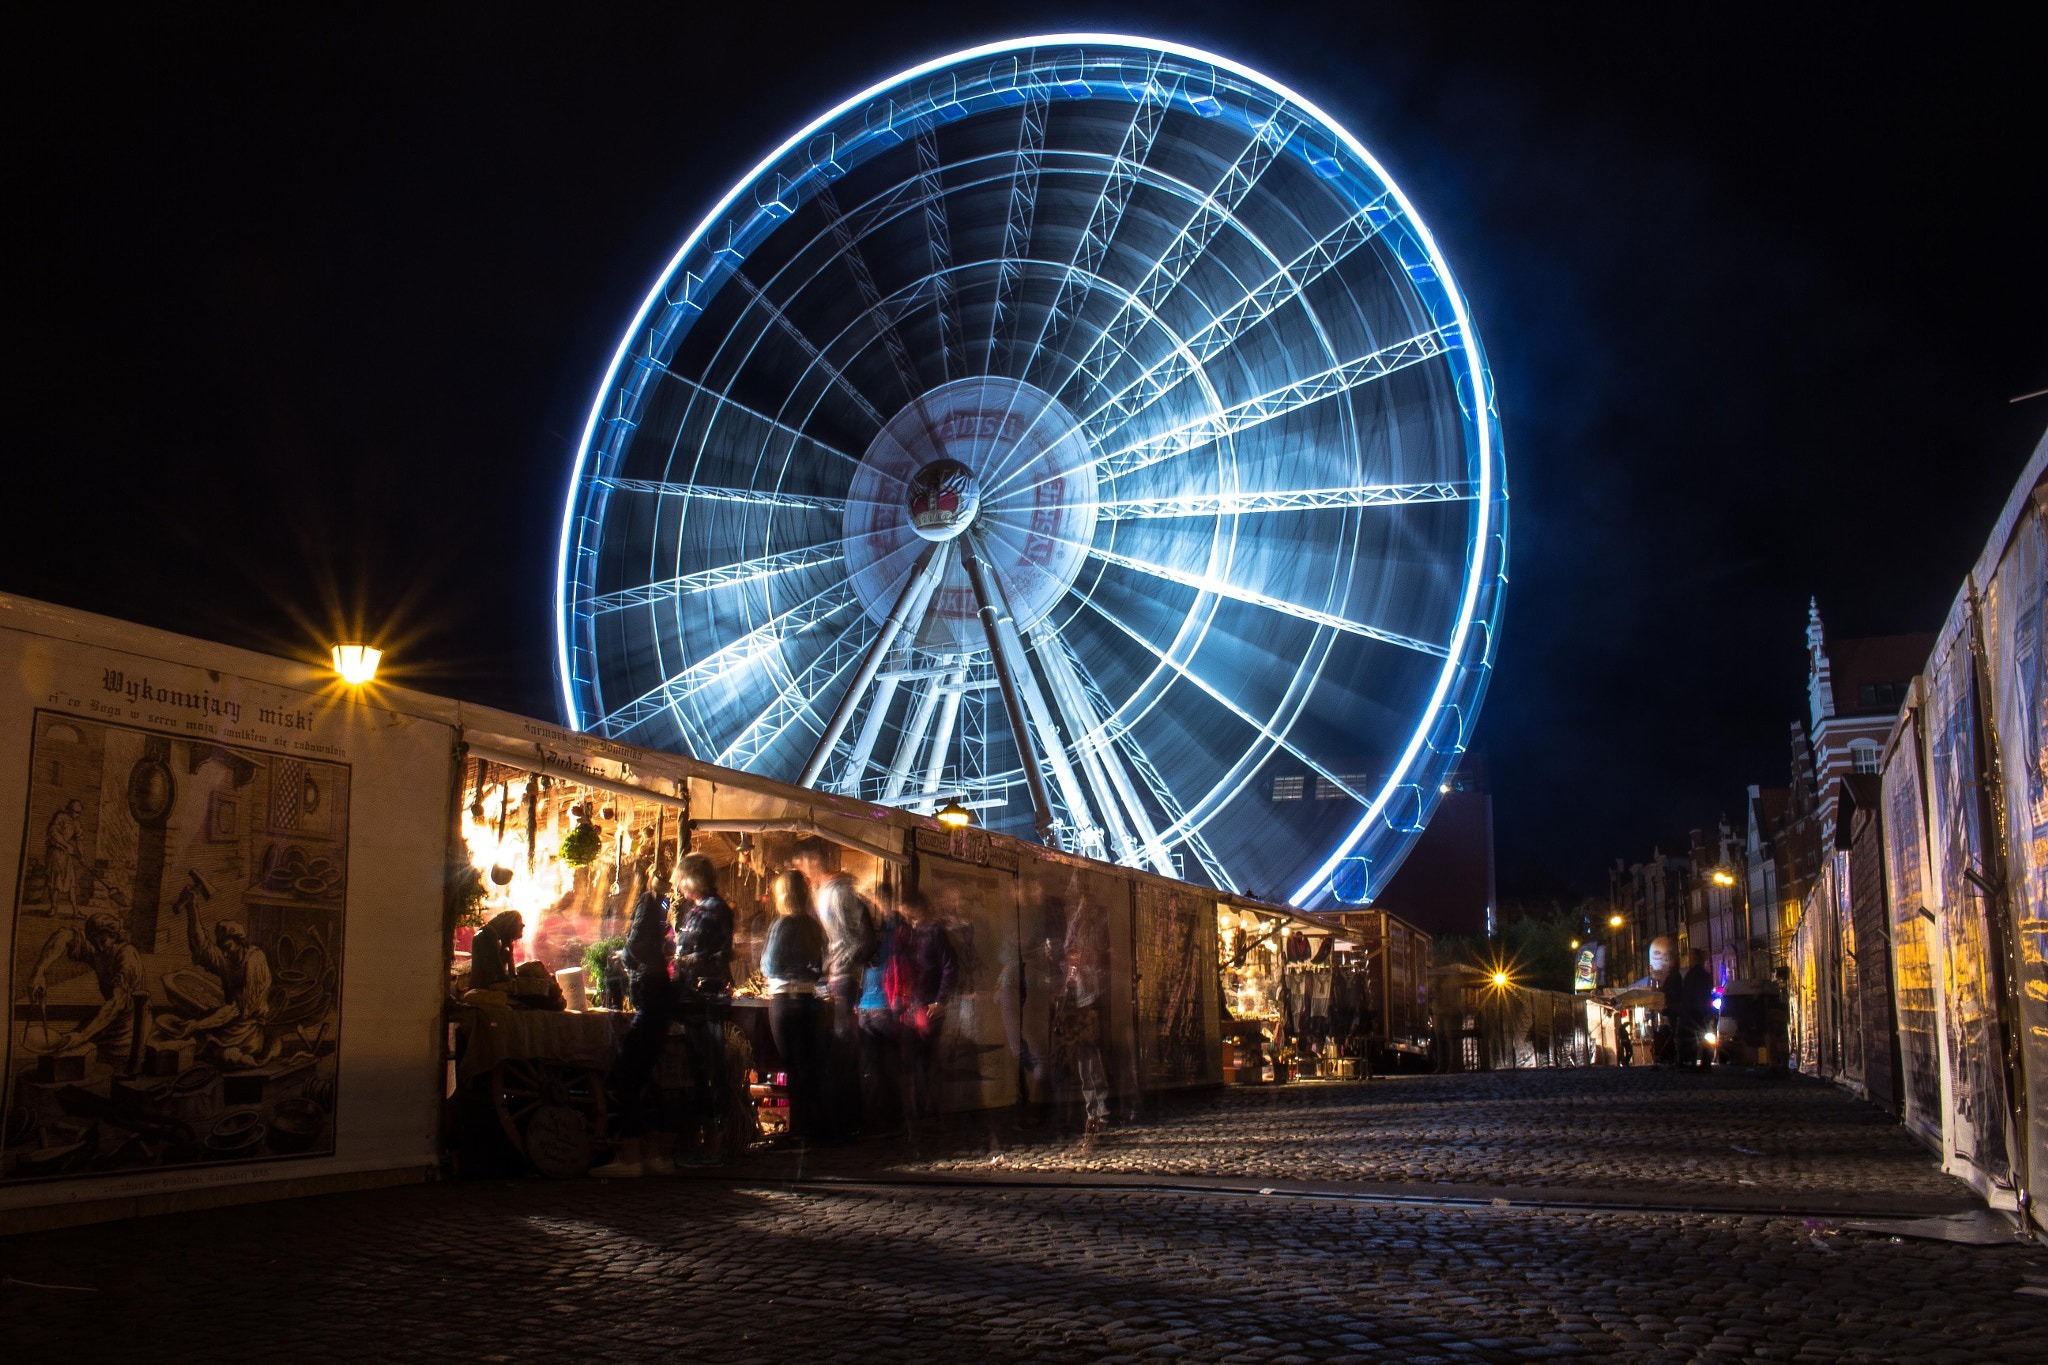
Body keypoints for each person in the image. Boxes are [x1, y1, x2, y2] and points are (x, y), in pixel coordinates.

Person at [593, 869, 676, 1178]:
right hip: (659, 997)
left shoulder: (646, 904)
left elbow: (636, 946)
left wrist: (623, 956)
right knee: (646, 1078)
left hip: (650, 996)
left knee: (627, 1076)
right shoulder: (663, 906)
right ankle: (655, 1155)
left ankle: (630, 1157)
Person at [790, 838, 873, 1139]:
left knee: (840, 1050)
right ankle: (840, 1119)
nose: (800, 871)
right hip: (835, 979)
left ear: (814, 860)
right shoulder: (823, 892)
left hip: (842, 980)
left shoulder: (839, 893)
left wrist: (837, 968)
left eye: (800, 864)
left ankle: (845, 1122)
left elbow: (858, 939)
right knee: (834, 1049)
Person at [672, 854, 734, 1162]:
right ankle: (706, 1136)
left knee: (710, 1068)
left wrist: (686, 961)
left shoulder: (715, 910)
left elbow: (721, 953)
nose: (679, 886)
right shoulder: (697, 910)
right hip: (693, 1000)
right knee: (699, 1069)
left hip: (707, 1000)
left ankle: (716, 1140)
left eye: (682, 879)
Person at [164, 905, 276, 1068]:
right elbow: (202, 948)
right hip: (228, 1024)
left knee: (220, 1054)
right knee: (194, 1044)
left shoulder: (255, 961)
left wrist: (197, 1024)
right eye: (222, 949)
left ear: (240, 942)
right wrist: (192, 908)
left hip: (246, 1031)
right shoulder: (228, 959)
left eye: (228, 947)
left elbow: (238, 1008)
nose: (224, 953)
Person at [24, 910, 147, 1055]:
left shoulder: (126, 956)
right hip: (104, 1022)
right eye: (94, 943)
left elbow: (117, 1002)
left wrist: (82, 1036)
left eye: (103, 941)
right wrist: (39, 973)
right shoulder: (97, 950)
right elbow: (64, 935)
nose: (99, 948)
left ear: (113, 936)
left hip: (128, 1029)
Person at [762, 868, 826, 1143]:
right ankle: (809, 1126)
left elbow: (770, 965)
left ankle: (797, 1129)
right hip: (809, 999)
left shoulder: (782, 924)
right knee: (808, 1064)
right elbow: (819, 967)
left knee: (792, 1065)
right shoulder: (814, 926)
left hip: (784, 1000)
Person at [897, 887, 957, 1132]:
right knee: (915, 1060)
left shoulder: (934, 932)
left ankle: (926, 1112)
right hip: (911, 1005)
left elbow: (949, 966)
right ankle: (919, 1112)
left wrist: (941, 1001)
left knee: (924, 1060)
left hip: (928, 1005)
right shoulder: (909, 933)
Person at [44, 800, 88, 918]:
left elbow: (79, 840)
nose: (77, 815)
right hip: (55, 853)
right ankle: (53, 908)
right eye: (75, 812)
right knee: (55, 882)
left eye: (79, 813)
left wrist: (82, 856)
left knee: (72, 883)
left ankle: (76, 911)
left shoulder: (76, 823)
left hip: (66, 856)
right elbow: (54, 833)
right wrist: (66, 845)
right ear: (69, 809)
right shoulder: (60, 817)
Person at [1679, 949, 1716, 1072]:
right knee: (1704, 1037)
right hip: (1702, 1010)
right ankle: (1706, 1062)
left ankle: (1695, 1062)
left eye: (1691, 957)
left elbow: (1689, 994)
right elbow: (1707, 994)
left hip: (1693, 1010)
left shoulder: (1692, 974)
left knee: (1693, 1038)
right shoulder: (1704, 974)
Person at [469, 910, 524, 990]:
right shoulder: (487, 936)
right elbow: (497, 973)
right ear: (510, 926)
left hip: (484, 986)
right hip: (482, 989)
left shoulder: (492, 935)